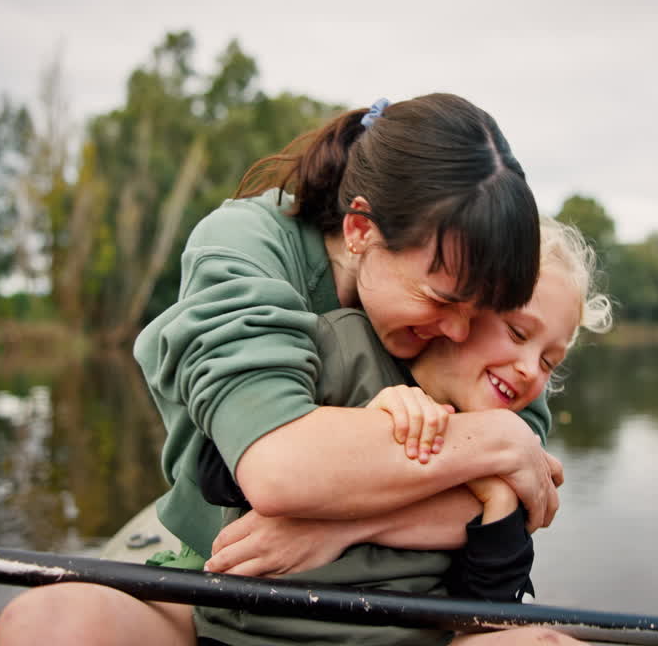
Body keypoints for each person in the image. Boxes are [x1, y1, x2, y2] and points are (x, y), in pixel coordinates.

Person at [0, 95, 567, 646]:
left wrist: (333, 526)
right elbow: (276, 466)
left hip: (419, 610)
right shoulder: (246, 245)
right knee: (47, 623)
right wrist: (493, 439)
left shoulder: (477, 273)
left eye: (484, 309)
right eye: (440, 299)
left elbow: (520, 489)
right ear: (360, 230)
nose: (463, 331)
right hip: (223, 588)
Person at [188, 216, 613, 646]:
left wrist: (497, 495)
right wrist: (375, 431)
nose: (529, 369)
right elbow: (218, 469)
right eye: (518, 332)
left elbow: (491, 608)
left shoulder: (509, 451)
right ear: (467, 303)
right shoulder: (344, 347)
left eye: (548, 363)